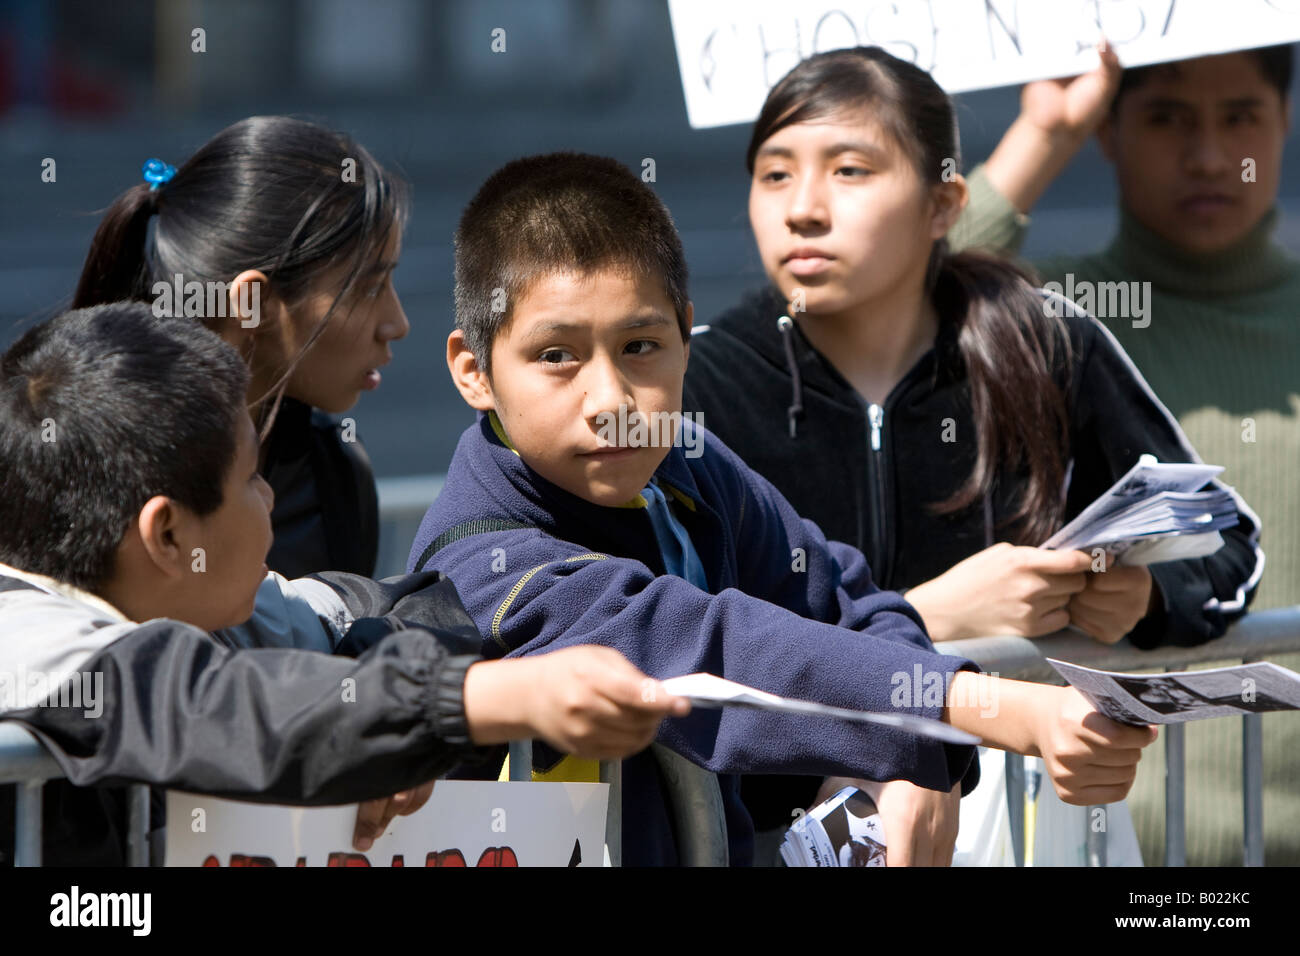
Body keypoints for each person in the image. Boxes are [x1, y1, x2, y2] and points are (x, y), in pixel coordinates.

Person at [406, 150, 1159, 867]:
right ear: (473, 371)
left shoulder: (688, 464)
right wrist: (999, 713)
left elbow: (853, 602)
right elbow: (714, 652)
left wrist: (898, 758)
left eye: (641, 345)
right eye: (556, 355)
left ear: (685, 337)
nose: (609, 399)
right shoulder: (481, 562)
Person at [679, 45, 1262, 863]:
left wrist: (1145, 598)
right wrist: (929, 618)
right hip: (764, 838)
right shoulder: (694, 386)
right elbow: (671, 634)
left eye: (849, 170)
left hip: (1023, 831)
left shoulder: (1044, 344)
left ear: (942, 203)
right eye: (774, 175)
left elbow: (1230, 550)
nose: (802, 208)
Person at [0, 302, 688, 865]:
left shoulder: (202, 600)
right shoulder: (31, 653)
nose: (270, 498)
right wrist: (473, 701)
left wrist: (379, 733)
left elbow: (392, 605)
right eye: (251, 479)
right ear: (170, 536)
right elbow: (221, 705)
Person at [948, 41, 1298, 865]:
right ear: (1109, 130)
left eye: (1240, 116)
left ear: (1285, 120)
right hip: (1101, 840)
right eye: (1166, 118)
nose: (1209, 155)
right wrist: (1045, 133)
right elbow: (898, 278)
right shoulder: (1044, 327)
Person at [72, 115, 412, 578]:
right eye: (368, 287)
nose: (398, 323)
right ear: (254, 302)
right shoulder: (82, 470)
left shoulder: (333, 473)